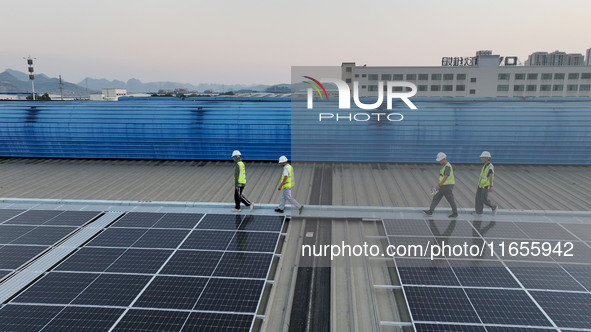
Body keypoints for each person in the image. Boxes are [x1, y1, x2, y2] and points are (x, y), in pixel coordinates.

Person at [423, 152, 458, 218]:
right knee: (435, 197)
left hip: (447, 186)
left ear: (444, 159)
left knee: (450, 200)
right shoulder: (444, 166)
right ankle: (430, 211)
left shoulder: (447, 166)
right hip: (443, 186)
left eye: (440, 160)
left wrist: (439, 186)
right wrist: (439, 185)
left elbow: (446, 177)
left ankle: (455, 213)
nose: (439, 162)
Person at [473, 151, 498, 216]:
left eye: (482, 158)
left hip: (485, 186)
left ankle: (493, 207)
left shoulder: (490, 167)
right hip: (480, 185)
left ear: (486, 158)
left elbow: (491, 176)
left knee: (483, 199)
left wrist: (491, 186)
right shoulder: (485, 166)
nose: (481, 159)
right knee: (478, 198)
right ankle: (479, 212)